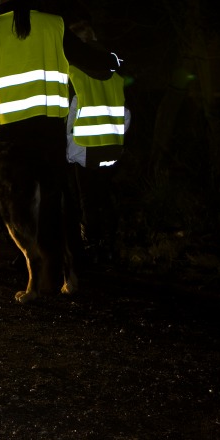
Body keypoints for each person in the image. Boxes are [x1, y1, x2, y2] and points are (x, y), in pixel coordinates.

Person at [0, 0, 123, 289]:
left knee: (20, 205)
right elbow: (86, 57)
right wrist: (113, 61)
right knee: (58, 201)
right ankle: (72, 273)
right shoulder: (54, 24)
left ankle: (37, 277)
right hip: (50, 133)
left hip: (10, 138)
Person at [65, 17, 131, 265]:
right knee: (106, 196)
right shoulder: (115, 72)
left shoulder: (74, 72)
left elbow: (71, 112)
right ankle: (110, 246)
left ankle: (91, 247)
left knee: (87, 199)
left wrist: (69, 148)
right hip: (113, 146)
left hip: (84, 148)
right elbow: (126, 113)